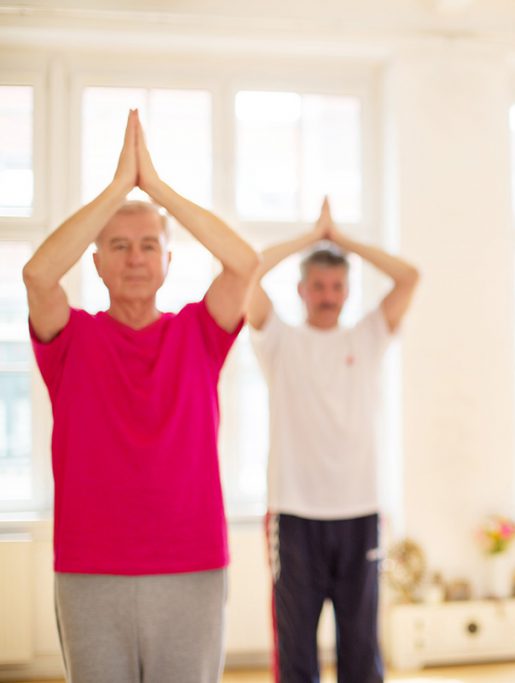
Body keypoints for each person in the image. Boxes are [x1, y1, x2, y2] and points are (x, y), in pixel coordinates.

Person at [22, 109, 259, 683]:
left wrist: (153, 188)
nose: (134, 258)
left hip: (191, 564)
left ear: (167, 261)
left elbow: (244, 263)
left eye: (148, 245)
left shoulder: (198, 333)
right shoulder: (70, 337)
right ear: (96, 261)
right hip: (90, 566)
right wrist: (115, 191)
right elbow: (37, 275)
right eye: (119, 246)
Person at [247, 197, 419, 683]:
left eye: (336, 285)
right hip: (294, 514)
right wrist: (310, 237)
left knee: (361, 647)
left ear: (346, 291)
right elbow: (246, 273)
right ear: (302, 290)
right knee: (296, 647)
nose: (327, 294)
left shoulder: (366, 337)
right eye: (318, 285)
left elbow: (408, 277)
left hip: (360, 512)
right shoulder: (279, 340)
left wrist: (342, 241)